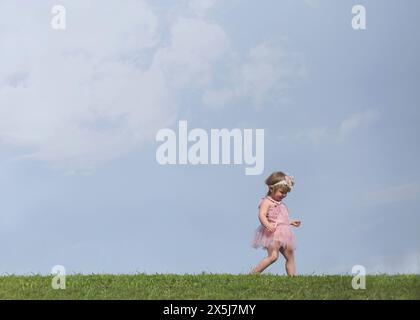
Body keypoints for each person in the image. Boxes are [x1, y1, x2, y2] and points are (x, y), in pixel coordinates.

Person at [250, 171, 301, 276]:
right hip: (272, 233)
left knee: (290, 257)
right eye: (282, 192)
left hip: (285, 233)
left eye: (286, 193)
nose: (284, 195)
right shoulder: (266, 202)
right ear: (271, 189)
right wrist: (267, 224)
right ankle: (253, 274)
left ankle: (293, 278)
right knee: (273, 256)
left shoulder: (281, 204)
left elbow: (281, 219)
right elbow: (262, 215)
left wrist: (290, 222)